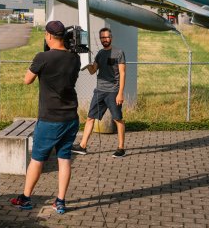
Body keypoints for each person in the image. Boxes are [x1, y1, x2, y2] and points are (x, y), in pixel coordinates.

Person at [10, 21, 80, 214]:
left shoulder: (42, 57)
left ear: (49, 36)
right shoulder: (75, 58)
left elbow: (27, 80)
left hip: (50, 118)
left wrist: (39, 60)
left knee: (37, 159)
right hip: (71, 116)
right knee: (64, 159)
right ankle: (60, 201)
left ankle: (25, 198)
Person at [72, 27, 127, 158]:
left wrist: (120, 93)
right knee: (90, 117)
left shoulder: (118, 52)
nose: (105, 40)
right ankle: (83, 146)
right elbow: (93, 71)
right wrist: (86, 63)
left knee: (117, 119)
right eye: (102, 38)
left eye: (107, 37)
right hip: (99, 91)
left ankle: (121, 148)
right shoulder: (100, 53)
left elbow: (123, 73)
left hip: (113, 92)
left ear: (111, 38)